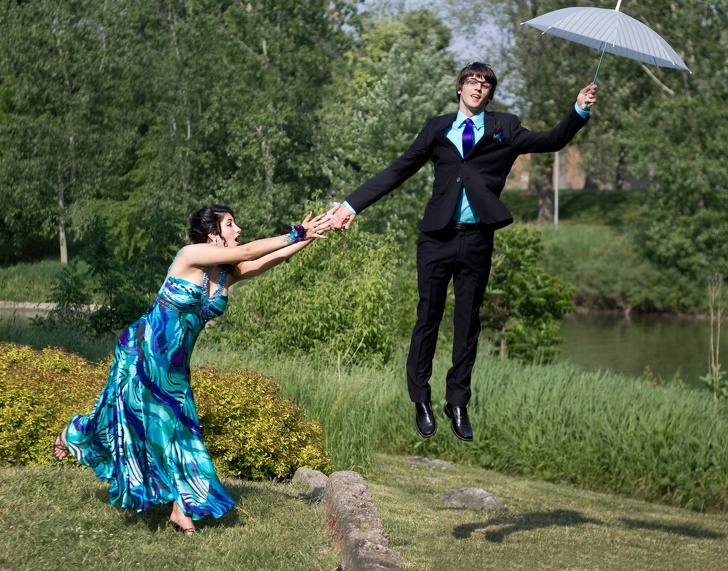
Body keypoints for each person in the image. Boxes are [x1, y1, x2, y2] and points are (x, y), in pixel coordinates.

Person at [330, 62, 597, 442]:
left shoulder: (505, 126)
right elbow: (398, 170)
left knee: (468, 322)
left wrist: (579, 110)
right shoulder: (437, 129)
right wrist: (351, 206)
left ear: (490, 93)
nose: (479, 88)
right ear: (460, 88)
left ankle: (457, 401)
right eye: (473, 82)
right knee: (428, 318)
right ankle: (420, 397)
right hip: (436, 239)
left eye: (486, 84)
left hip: (477, 240)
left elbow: (551, 140)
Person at [52, 204, 334, 535]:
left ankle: (179, 506)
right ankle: (80, 439)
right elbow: (248, 250)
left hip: (174, 368)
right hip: (142, 350)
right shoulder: (189, 255)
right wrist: (294, 232)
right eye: (231, 224)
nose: (238, 229)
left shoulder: (228, 271)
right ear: (213, 234)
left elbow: (270, 259)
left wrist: (309, 237)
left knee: (179, 433)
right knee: (135, 421)